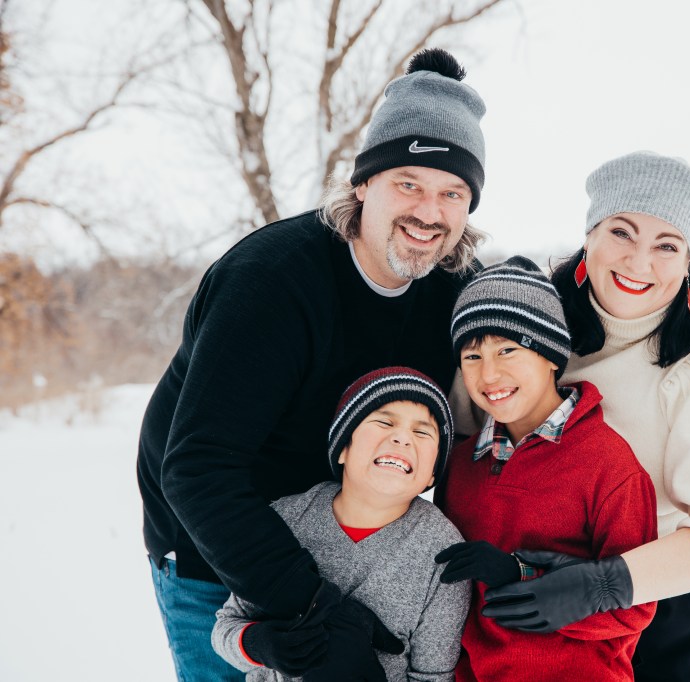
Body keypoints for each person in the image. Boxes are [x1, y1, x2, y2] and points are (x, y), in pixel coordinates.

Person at [137, 48, 487, 681]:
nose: (429, 213)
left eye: (451, 192)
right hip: (218, 548)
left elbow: (531, 359)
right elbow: (195, 471)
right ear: (363, 184)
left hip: (359, 546)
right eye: (407, 183)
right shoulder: (272, 281)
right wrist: (315, 610)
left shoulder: (458, 288)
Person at [482, 151, 690, 682]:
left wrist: (604, 586)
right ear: (589, 236)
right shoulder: (533, 330)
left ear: (688, 262)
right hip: (531, 584)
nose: (640, 262)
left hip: (669, 601)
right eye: (622, 232)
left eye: (667, 246)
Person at [433, 256, 659, 681]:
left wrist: (531, 582)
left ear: (551, 355)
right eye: (472, 356)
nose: (489, 373)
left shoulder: (608, 464)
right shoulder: (460, 466)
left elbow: (637, 609)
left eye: (508, 350)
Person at [212, 367, 471, 681]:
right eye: (384, 422)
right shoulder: (285, 518)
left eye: (422, 432)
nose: (402, 438)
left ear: (432, 474)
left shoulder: (443, 552)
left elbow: (434, 676)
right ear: (344, 447)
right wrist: (259, 644)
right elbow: (226, 628)